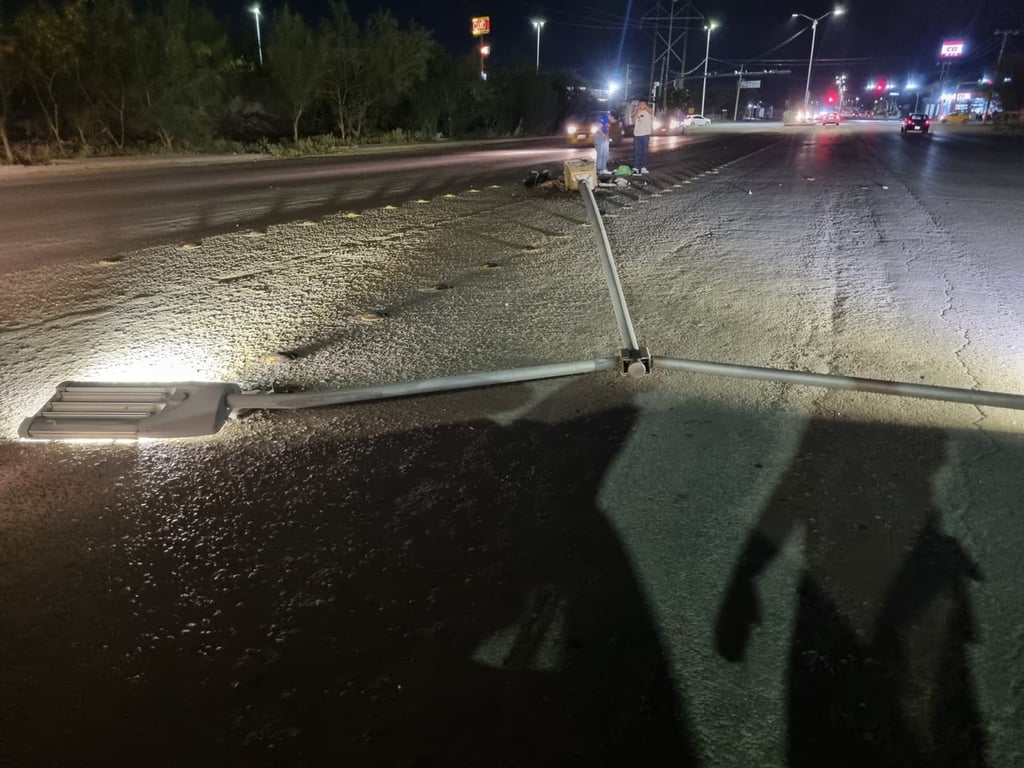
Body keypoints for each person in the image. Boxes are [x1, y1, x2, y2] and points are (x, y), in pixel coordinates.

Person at [631, 100, 653, 174]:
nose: (641, 105)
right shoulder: (636, 111)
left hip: (646, 134)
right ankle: (636, 167)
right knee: (636, 151)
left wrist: (645, 106)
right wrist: (637, 111)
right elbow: (633, 121)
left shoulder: (648, 111)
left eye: (642, 104)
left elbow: (651, 111)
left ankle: (643, 167)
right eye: (640, 104)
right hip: (637, 134)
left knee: (644, 151)